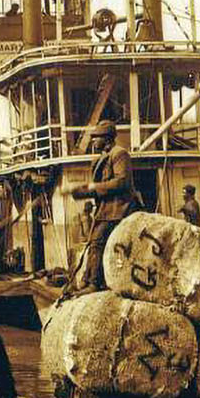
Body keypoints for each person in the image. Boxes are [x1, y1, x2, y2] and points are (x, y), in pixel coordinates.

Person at [71, 120, 135, 290]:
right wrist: (80, 191)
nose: (93, 141)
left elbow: (122, 182)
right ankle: (88, 278)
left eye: (96, 138)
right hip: (105, 210)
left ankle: (94, 283)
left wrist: (93, 188)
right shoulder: (101, 158)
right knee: (94, 242)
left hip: (118, 209)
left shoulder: (119, 154)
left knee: (97, 242)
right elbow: (99, 187)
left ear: (106, 139)